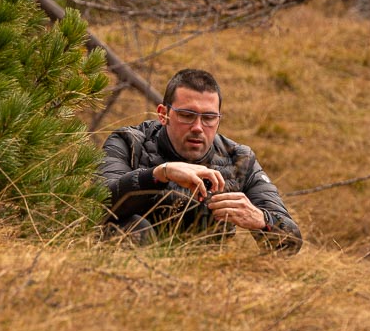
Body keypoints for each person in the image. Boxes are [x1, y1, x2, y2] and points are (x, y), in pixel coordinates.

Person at [98, 68, 302, 252]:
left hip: (206, 275)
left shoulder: (239, 158)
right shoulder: (129, 142)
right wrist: (158, 174)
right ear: (163, 114)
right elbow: (98, 205)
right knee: (133, 227)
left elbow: (292, 243)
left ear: (219, 119)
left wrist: (262, 220)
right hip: (132, 270)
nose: (197, 127)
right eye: (187, 115)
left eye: (209, 118)